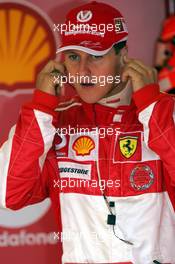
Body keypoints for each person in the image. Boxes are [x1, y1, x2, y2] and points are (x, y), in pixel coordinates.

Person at [0, 1, 175, 263]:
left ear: (123, 55)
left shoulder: (163, 113)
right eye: (73, 57)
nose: (83, 71)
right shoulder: (52, 122)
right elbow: (8, 194)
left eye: (96, 55)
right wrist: (41, 106)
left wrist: (151, 104)